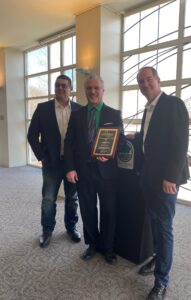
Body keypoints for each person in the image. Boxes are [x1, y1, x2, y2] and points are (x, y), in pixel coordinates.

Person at [127, 67, 189, 300]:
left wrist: (170, 178)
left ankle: (161, 281)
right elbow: (151, 137)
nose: (145, 84)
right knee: (154, 223)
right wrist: (135, 136)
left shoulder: (173, 104)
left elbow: (180, 143)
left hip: (166, 181)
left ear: (158, 80)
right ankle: (156, 257)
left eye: (148, 80)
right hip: (149, 178)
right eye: (141, 82)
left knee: (164, 228)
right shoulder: (148, 109)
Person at [64, 73, 124, 265]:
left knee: (108, 210)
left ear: (103, 91)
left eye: (96, 88)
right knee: (88, 209)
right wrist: (70, 168)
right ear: (85, 91)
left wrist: (111, 152)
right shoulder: (76, 115)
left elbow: (120, 141)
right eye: (89, 88)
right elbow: (69, 143)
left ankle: (107, 247)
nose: (92, 91)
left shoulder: (114, 114)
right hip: (83, 171)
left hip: (107, 171)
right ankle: (92, 244)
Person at [27, 74, 82, 248]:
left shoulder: (79, 110)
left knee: (72, 198)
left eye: (64, 86)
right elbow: (32, 134)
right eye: (57, 85)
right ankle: (47, 231)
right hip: (51, 163)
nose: (60, 88)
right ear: (54, 88)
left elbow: (83, 137)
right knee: (49, 199)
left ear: (70, 89)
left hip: (73, 164)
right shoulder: (42, 108)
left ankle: (71, 228)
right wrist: (41, 156)